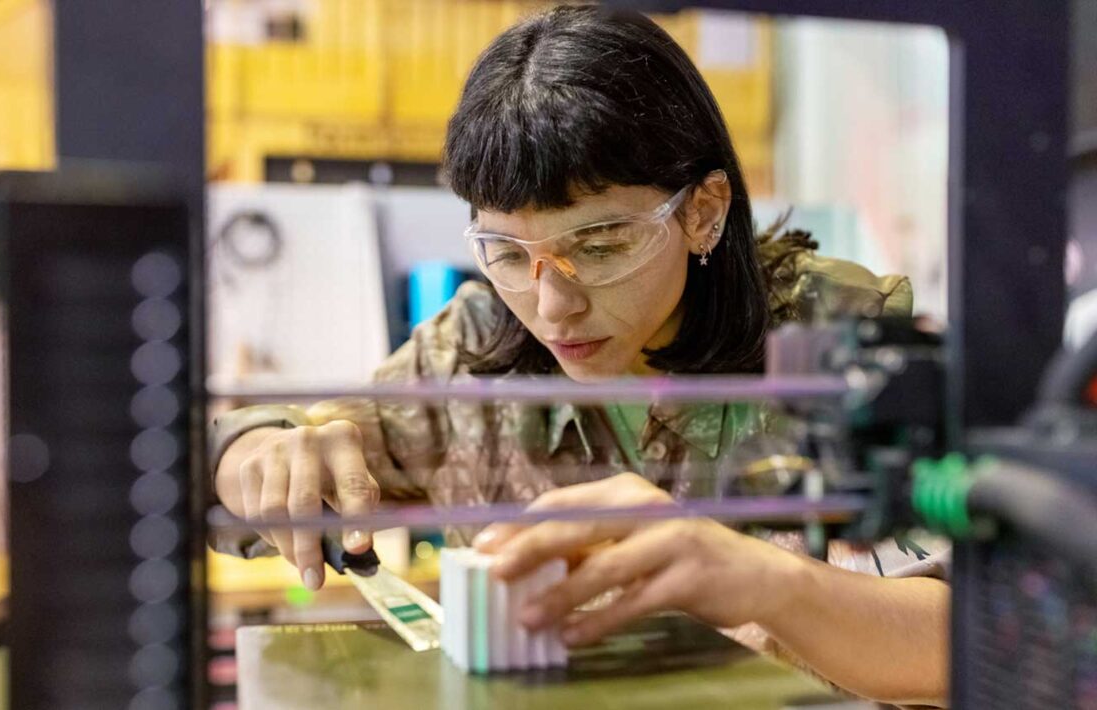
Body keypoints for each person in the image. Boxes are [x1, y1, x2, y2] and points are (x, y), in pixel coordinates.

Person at [211, 6, 948, 707]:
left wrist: (766, 583)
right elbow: (217, 469)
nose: (551, 307)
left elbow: (986, 640)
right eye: (506, 252)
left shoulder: (843, 342)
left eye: (598, 247)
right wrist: (256, 450)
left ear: (704, 210)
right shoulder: (471, 355)